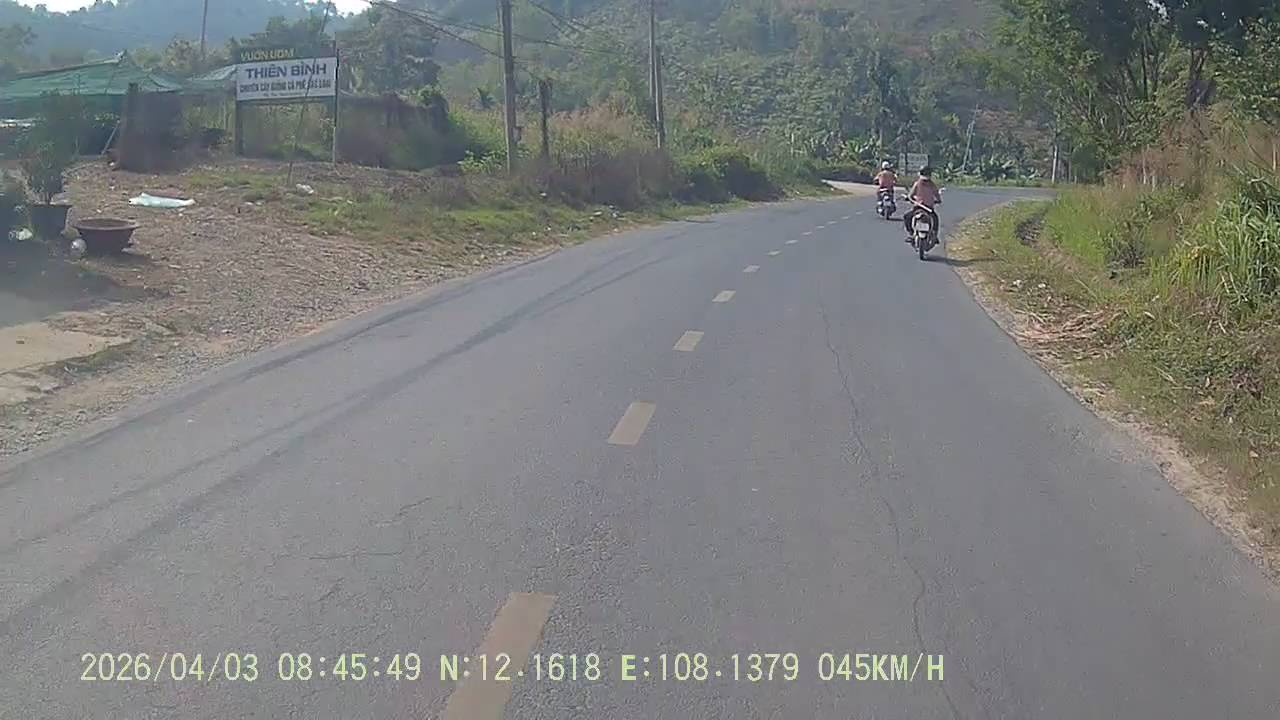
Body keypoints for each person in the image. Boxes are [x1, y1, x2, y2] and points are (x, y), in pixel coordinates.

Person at [904, 166, 942, 242]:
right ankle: (934, 236)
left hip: (919, 207)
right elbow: (937, 196)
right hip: (928, 208)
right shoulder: (932, 185)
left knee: (907, 217)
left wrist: (910, 199)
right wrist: (938, 200)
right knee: (935, 219)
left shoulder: (917, 183)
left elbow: (910, 195)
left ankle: (911, 233)